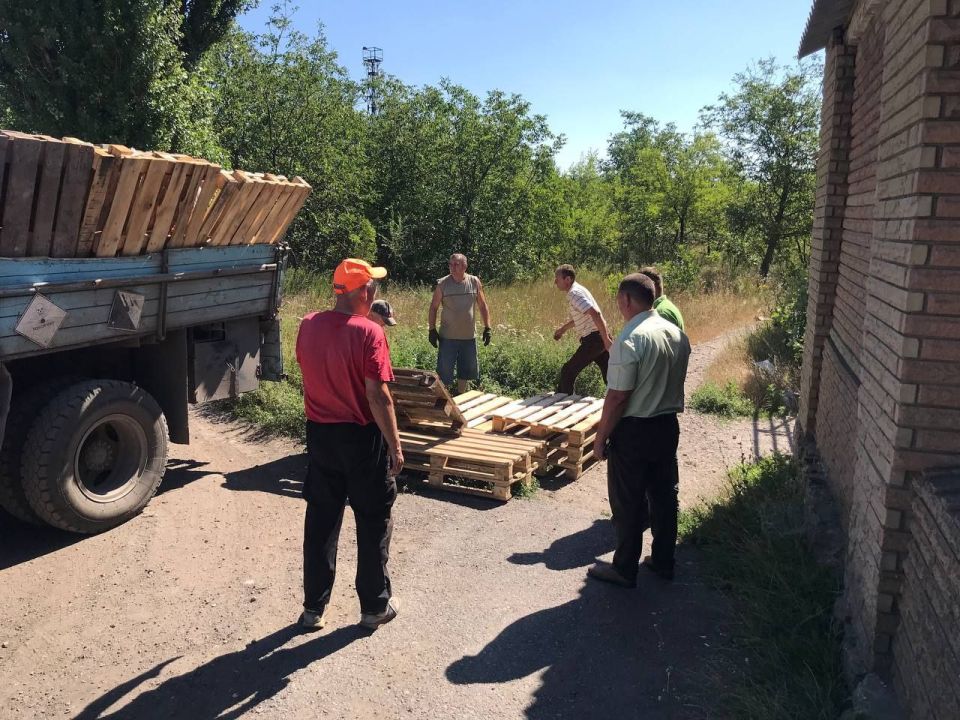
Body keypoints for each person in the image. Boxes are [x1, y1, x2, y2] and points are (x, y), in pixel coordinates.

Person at [295, 258, 404, 631]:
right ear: (364, 292)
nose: (374, 291)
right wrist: (395, 444)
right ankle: (374, 607)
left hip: (320, 434)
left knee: (322, 519)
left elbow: (309, 373)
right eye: (371, 286)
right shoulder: (369, 333)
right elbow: (379, 396)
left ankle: (313, 608)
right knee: (373, 518)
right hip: (361, 438)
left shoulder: (308, 324)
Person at [587, 273, 690, 587]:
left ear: (626, 300)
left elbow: (618, 396)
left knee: (628, 500)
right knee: (663, 496)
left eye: (619, 301)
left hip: (634, 431)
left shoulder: (630, 338)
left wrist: (601, 437)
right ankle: (663, 561)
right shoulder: (675, 333)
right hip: (667, 426)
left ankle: (623, 568)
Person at [428, 253, 492, 394]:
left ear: (464, 266)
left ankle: (461, 397)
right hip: (448, 337)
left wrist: (488, 327)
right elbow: (433, 307)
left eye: (456, 264)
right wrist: (431, 330)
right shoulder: (443, 284)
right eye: (450, 264)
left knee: (466, 371)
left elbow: (483, 305)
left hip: (468, 337)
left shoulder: (474, 282)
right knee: (444, 371)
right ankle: (443, 398)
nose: (452, 267)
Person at [552, 265, 612, 394]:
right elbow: (585, 315)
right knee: (611, 376)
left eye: (557, 278)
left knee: (568, 371)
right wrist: (563, 329)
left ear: (567, 279)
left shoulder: (574, 293)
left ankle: (563, 405)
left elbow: (595, 313)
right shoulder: (578, 290)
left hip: (594, 339)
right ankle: (621, 405)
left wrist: (606, 339)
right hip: (599, 337)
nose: (555, 282)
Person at [638, 266, 685, 331]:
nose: (638, 292)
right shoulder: (665, 306)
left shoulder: (661, 312)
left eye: (641, 287)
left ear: (652, 286)